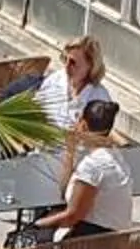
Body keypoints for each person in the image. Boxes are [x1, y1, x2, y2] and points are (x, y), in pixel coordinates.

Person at [33, 97, 133, 240]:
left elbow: (73, 215)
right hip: (108, 236)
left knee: (26, 237)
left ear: (84, 125)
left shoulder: (93, 165)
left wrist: (37, 224)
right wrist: (70, 151)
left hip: (91, 242)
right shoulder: (114, 155)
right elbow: (65, 192)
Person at [31, 36, 111, 132]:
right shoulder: (55, 79)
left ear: (90, 66)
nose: (67, 66)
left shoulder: (99, 98)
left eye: (73, 62)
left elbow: (97, 140)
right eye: (66, 59)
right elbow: (35, 109)